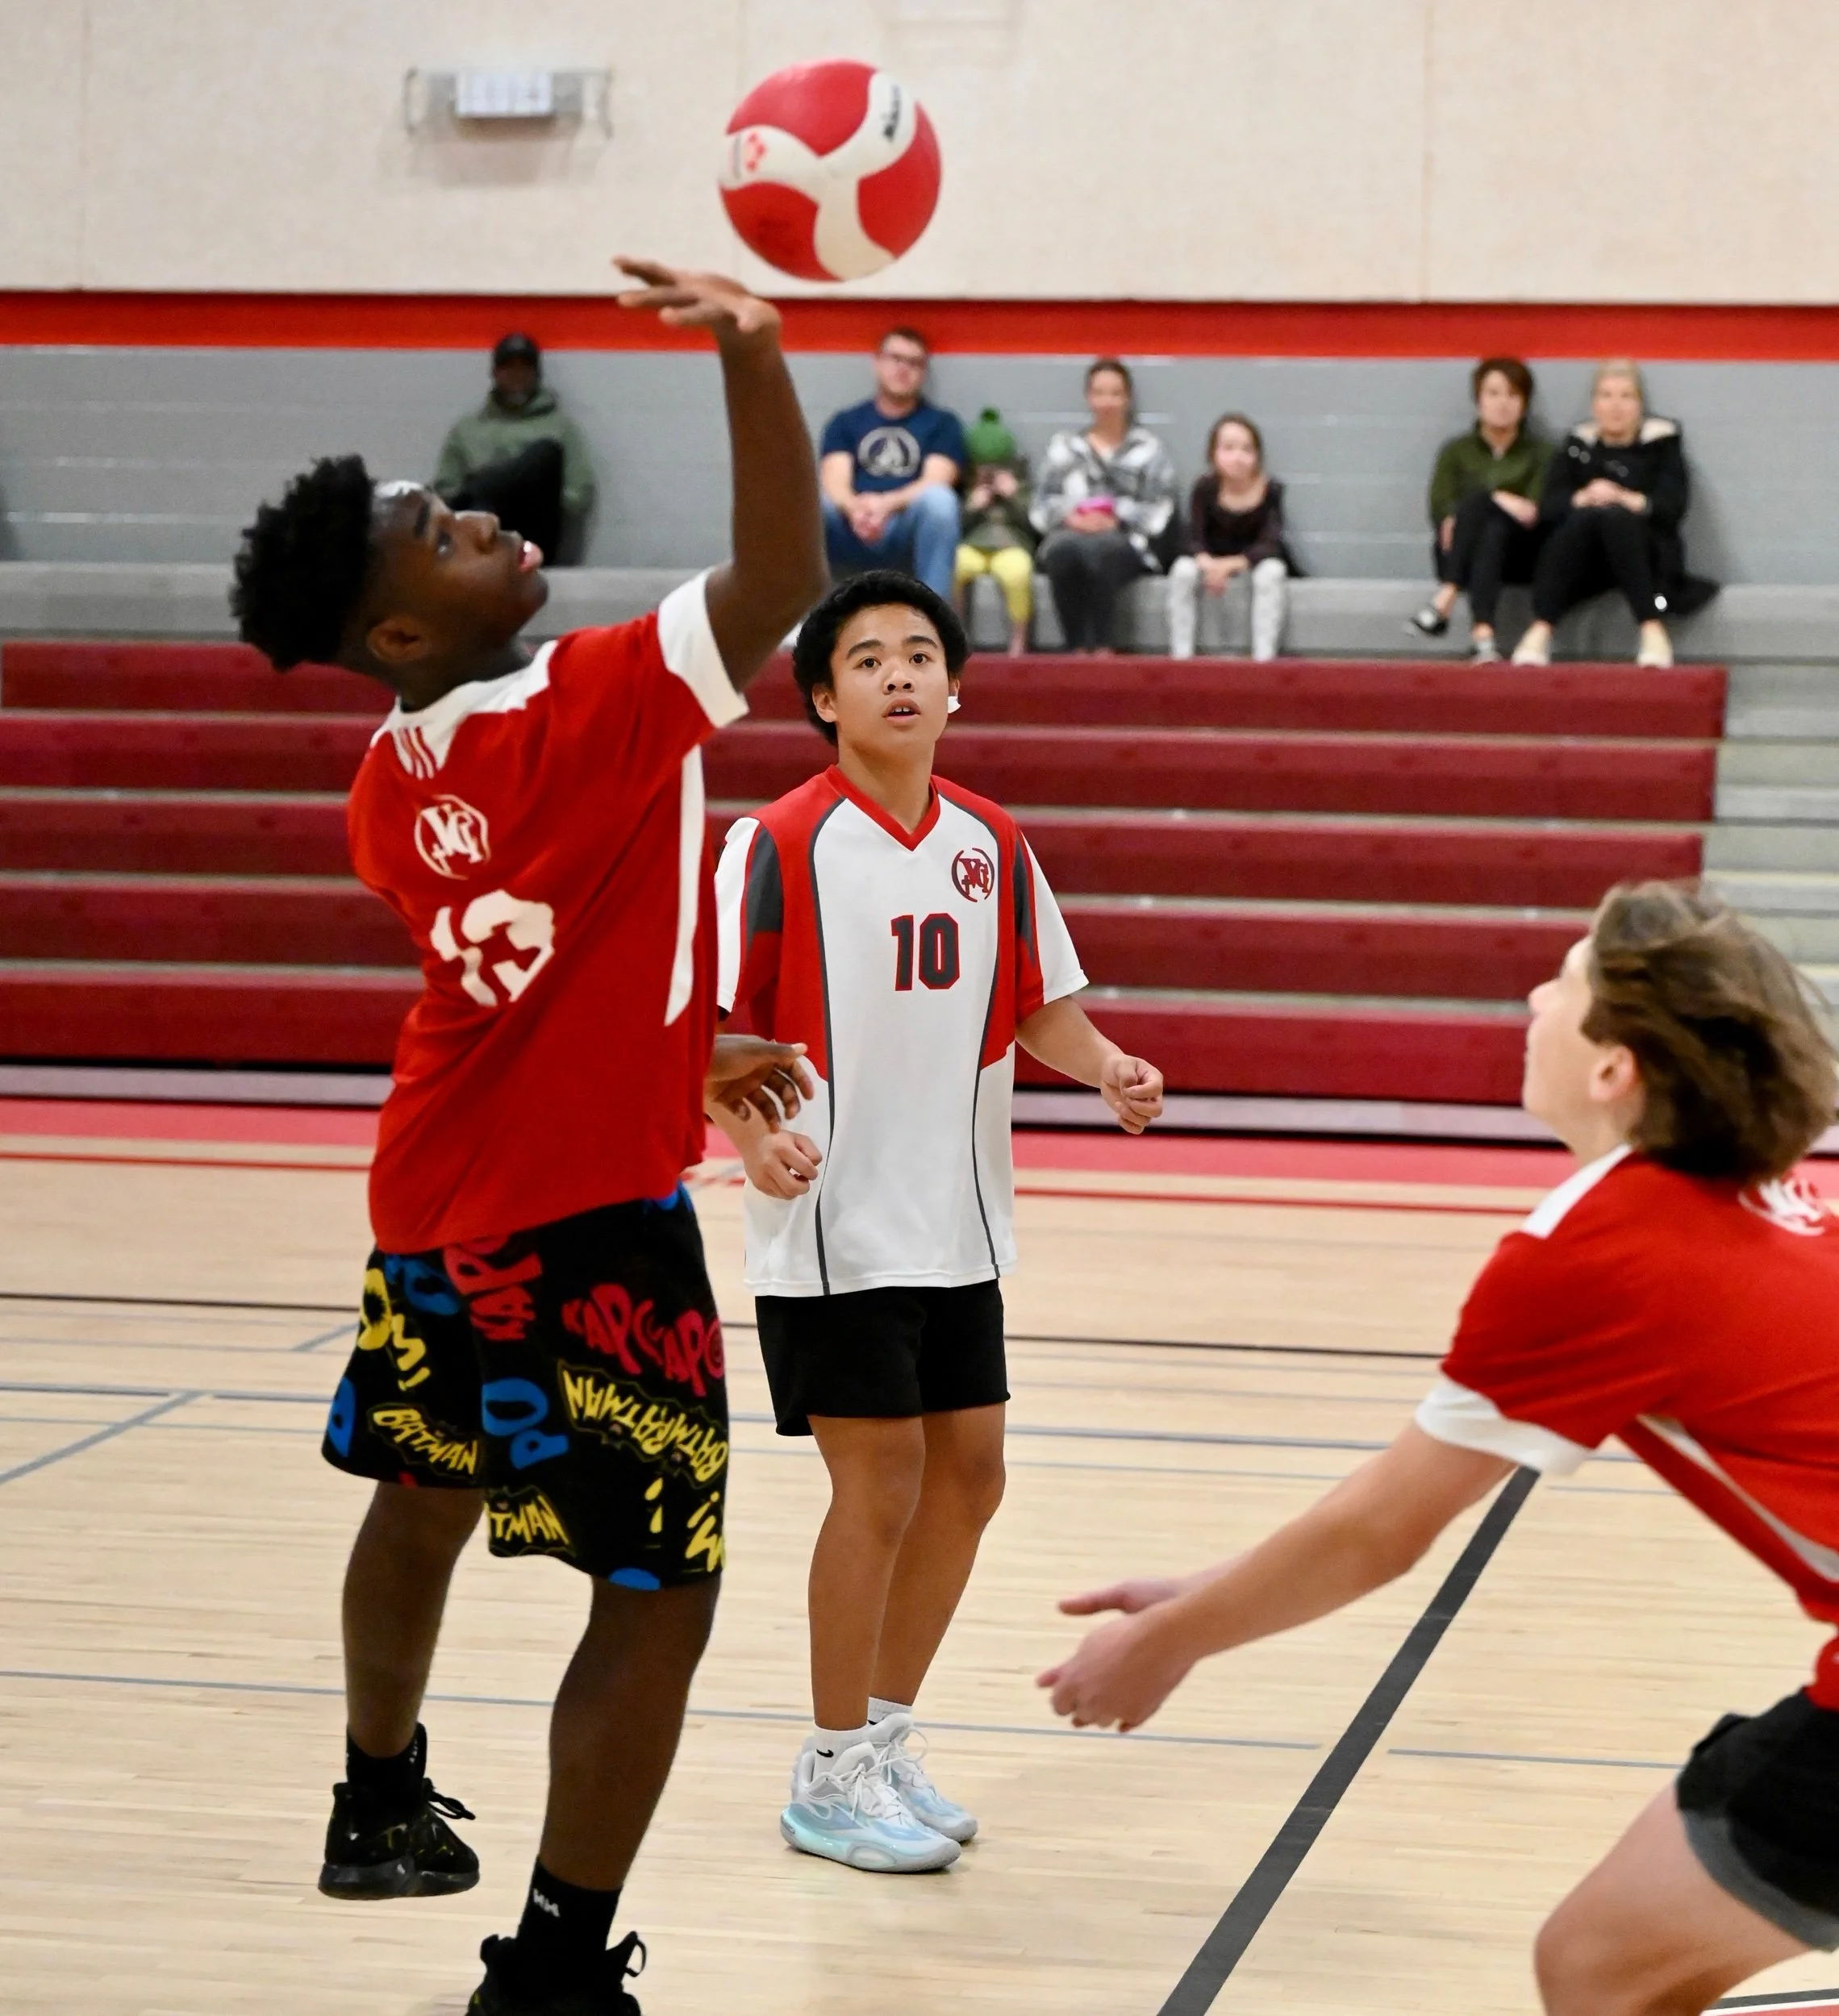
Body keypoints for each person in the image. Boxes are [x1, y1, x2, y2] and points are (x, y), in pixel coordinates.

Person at [230, 258, 826, 2016]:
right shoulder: (586, 703)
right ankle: (559, 1966)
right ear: (403, 627)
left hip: (438, 1205)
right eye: (435, 527)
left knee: (423, 1495)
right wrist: (754, 344)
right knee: (657, 1590)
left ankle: (378, 1795)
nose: (478, 515)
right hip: (584, 1225)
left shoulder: (383, 778)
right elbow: (784, 577)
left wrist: (678, 1042)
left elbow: (540, 949)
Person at [1041, 881, 1839, 2016]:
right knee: (1602, 1961)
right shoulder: (1753, 1191)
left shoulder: (1594, 1248)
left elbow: (1382, 1529)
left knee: (1601, 1967)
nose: (1530, 996)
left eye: (1563, 985)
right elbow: (1388, 1497)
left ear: (1615, 1067)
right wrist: (1206, 1591)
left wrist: (1166, 1643)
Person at [711, 568, 1166, 1875]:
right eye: (868, 659)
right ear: (818, 695)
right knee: (883, 1480)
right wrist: (754, 1134)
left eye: (921, 653)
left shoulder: (993, 842)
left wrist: (1113, 1067)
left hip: (957, 1222)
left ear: (955, 685)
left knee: (971, 1478)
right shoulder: (778, 844)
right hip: (833, 1228)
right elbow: (702, 1031)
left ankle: (885, 1740)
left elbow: (1039, 1012)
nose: (900, 674)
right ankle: (828, 1763)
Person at [1513, 361, 1715, 670]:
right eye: (1607, 396)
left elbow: (1672, 506)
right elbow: (1549, 508)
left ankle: (1651, 627)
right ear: (1594, 404)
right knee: (1585, 518)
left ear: (1639, 404)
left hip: (1650, 562)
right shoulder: (1576, 447)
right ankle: (1541, 628)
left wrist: (1623, 498)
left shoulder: (1662, 446)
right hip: (1586, 563)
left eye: (1626, 396)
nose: (1615, 406)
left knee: (1613, 517)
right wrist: (1582, 497)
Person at [1031, 359, 1179, 654]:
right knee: (1063, 552)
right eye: (1099, 393)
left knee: (1103, 551)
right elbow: (1040, 504)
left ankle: (1103, 647)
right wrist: (1071, 517)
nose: (1107, 401)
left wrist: (1116, 517)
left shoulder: (1149, 450)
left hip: (1126, 542)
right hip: (1070, 534)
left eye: (1115, 393)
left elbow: (1161, 508)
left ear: (1127, 398)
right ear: (1089, 397)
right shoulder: (1065, 447)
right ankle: (1075, 648)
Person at [1411, 357, 1550, 663]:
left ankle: (1446, 597)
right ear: (1478, 400)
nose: (1503, 403)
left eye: (1513, 395)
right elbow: (1441, 511)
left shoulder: (1542, 453)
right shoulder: (1456, 451)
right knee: (1486, 524)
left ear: (1525, 403)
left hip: (1520, 554)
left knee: (1485, 512)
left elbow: (1532, 512)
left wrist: (1492, 499)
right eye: (1494, 393)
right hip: (1459, 550)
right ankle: (1482, 635)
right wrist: (1475, 513)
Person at [819, 327, 966, 602]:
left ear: (923, 372)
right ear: (877, 362)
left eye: (914, 363)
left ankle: (934, 619)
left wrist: (884, 505)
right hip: (853, 525)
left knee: (940, 501)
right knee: (813, 506)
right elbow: (833, 481)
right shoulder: (845, 422)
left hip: (905, 529)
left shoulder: (942, 424)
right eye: (895, 358)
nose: (903, 369)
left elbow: (937, 480)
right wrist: (855, 509)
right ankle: (798, 617)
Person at [434, 333, 596, 569]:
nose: (516, 376)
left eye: (524, 369)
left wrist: (524, 491)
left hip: (533, 533)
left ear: (536, 374)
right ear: (495, 373)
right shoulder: (468, 429)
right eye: (509, 368)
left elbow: (579, 495)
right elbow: (446, 492)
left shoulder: (558, 428)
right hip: (481, 530)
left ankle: (490, 488)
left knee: (545, 453)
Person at [1166, 413, 1298, 661]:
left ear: (1257, 456)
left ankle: (1264, 659)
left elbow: (1270, 543)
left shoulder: (1271, 490)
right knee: (1182, 570)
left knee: (1272, 572)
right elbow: (1192, 537)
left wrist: (1231, 565)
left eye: (1247, 450)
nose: (1238, 458)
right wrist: (1207, 562)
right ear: (1213, 454)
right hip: (1211, 559)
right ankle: (1181, 657)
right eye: (1228, 449)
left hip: (1252, 562)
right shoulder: (1204, 488)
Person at [953, 406, 1036, 657]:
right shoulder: (963, 486)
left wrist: (1014, 497)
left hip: (1010, 545)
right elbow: (951, 526)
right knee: (953, 567)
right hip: (974, 544)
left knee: (1018, 574)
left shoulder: (1020, 484)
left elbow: (1036, 524)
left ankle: (1018, 642)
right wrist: (971, 506)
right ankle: (956, 636)